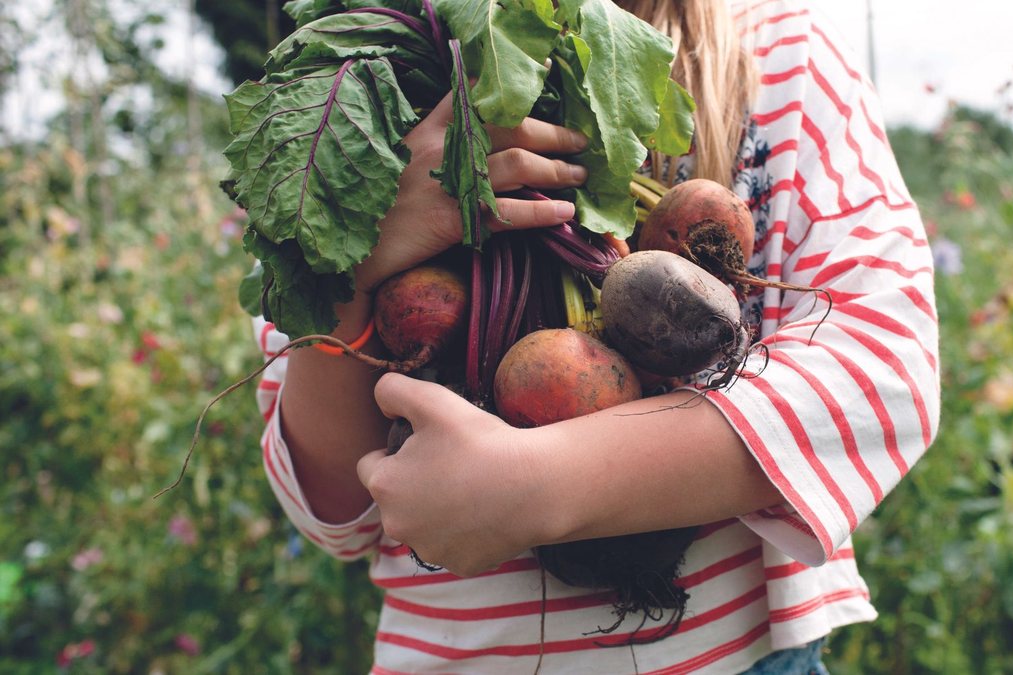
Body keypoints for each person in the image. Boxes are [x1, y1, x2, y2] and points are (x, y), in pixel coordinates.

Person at [252, 0, 940, 671]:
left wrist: (546, 483)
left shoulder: (775, 52)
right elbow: (334, 511)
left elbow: (885, 366)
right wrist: (358, 250)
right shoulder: (377, 103)